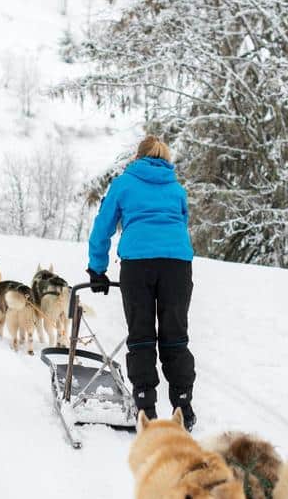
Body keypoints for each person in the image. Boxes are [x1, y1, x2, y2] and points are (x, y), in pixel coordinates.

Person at [86, 135, 197, 431]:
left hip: (138, 264)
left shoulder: (124, 183)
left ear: (138, 156)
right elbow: (182, 223)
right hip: (177, 265)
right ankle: (183, 405)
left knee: (142, 335)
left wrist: (97, 269)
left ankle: (146, 407)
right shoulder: (176, 188)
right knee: (175, 335)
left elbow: (102, 228)